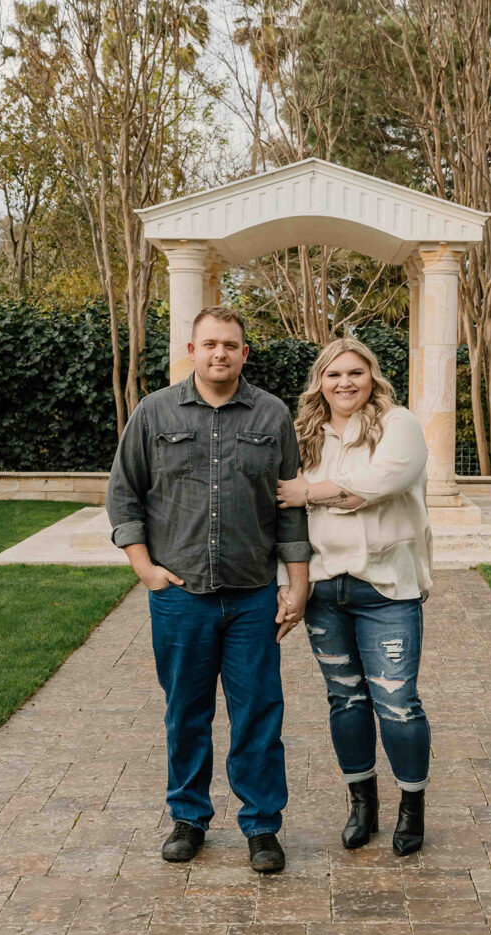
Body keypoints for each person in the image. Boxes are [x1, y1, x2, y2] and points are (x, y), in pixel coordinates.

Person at [106, 306, 310, 871]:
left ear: (245, 353)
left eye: (231, 345)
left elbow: (290, 509)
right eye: (210, 344)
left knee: (257, 714)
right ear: (191, 350)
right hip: (180, 596)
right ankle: (188, 818)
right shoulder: (154, 412)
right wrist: (145, 569)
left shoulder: (271, 415)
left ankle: (262, 826)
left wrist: (298, 583)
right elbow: (124, 494)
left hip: (251, 596)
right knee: (187, 712)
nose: (220, 353)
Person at [276, 337, 432, 856]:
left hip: (386, 590)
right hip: (324, 592)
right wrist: (292, 581)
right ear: (320, 381)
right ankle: (362, 803)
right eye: (334, 374)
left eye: (355, 373)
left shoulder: (398, 425)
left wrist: (312, 491)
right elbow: (285, 513)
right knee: (345, 699)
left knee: (398, 704)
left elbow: (377, 483)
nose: (345, 383)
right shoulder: (305, 435)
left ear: (372, 377)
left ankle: (412, 806)